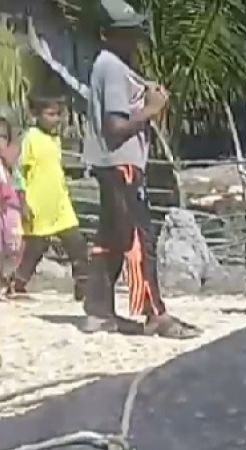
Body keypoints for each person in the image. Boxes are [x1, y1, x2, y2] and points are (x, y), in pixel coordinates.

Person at [81, 0, 197, 338]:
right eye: (126, 33)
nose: (135, 39)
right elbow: (116, 126)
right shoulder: (113, 68)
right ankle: (154, 313)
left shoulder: (110, 66)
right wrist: (153, 108)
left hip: (111, 164)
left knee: (110, 240)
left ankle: (98, 311)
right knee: (136, 239)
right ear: (107, 34)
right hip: (121, 165)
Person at [7, 96, 89, 301]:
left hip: (59, 203)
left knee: (76, 242)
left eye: (58, 114)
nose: (56, 119)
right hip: (38, 203)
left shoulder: (55, 139)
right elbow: (19, 173)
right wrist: (23, 202)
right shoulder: (31, 138)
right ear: (37, 115)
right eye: (50, 114)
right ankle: (18, 283)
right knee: (36, 246)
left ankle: (83, 284)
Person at [0, 118, 22, 299]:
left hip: (10, 213)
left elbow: (19, 187)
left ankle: (9, 280)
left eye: (2, 136)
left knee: (13, 247)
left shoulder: (9, 167)